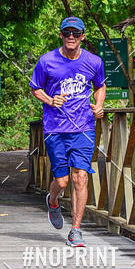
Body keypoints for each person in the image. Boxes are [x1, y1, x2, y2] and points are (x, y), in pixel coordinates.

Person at [29, 16, 106, 247]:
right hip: (55, 128)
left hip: (83, 128)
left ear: (83, 36)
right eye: (66, 33)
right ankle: (52, 201)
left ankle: (76, 230)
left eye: (75, 33)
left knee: (80, 177)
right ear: (61, 35)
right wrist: (51, 101)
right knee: (62, 181)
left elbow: (100, 86)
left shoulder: (94, 61)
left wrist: (99, 104)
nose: (71, 37)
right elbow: (35, 88)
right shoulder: (46, 61)